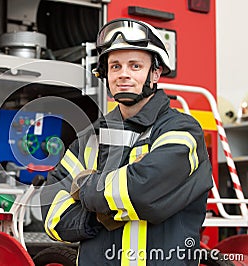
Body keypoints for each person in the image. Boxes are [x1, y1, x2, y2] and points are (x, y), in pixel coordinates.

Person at [40, 18, 213, 265]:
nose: (123, 75)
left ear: (155, 73)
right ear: (105, 74)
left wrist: (84, 185)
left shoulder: (182, 131)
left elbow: (141, 193)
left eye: (135, 66)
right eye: (115, 66)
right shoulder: (91, 138)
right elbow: (50, 211)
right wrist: (95, 218)